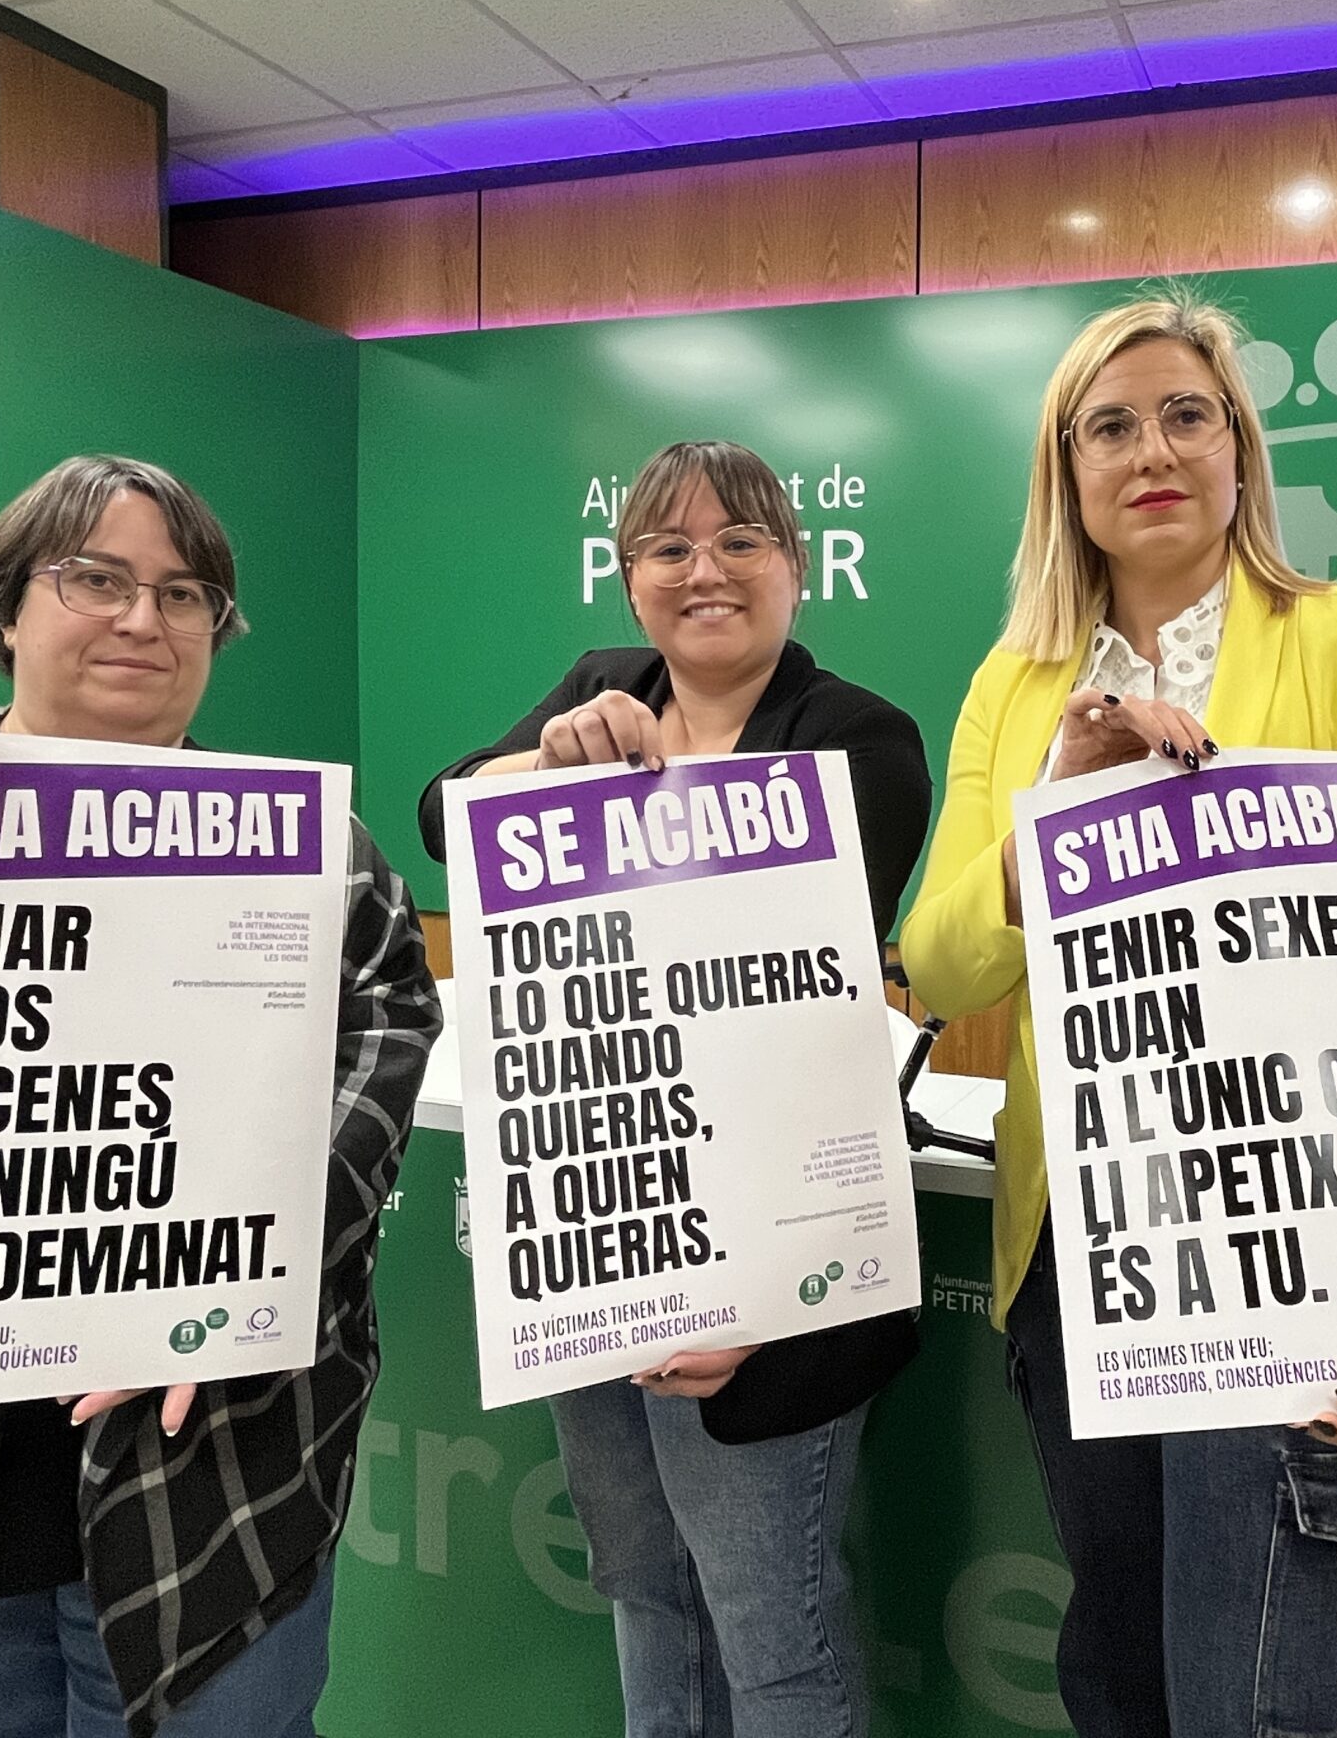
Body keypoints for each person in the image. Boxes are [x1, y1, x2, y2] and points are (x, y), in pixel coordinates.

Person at [0, 455, 441, 1736]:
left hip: (213, 1493)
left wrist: (237, 1272)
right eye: (96, 579)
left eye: (183, 594)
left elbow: (384, 1038)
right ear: (5, 610)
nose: (142, 619)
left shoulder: (310, 851)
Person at [901, 293, 1337, 1738]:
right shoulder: (1013, 684)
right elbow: (941, 966)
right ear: (1067, 473)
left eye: (1186, 415)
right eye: (1109, 426)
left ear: (1238, 449)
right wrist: (1051, 825)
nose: (1151, 450)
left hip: (1295, 1235)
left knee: (1259, 1684)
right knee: (1122, 1666)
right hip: (1081, 1248)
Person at [418, 439, 932, 1738]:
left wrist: (748, 1294)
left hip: (770, 1276)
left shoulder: (858, 736)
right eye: (669, 547)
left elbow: (790, 1000)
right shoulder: (600, 685)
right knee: (646, 1591)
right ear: (629, 576)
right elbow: (442, 816)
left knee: (774, 1637)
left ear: (797, 567)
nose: (706, 570)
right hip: (603, 1236)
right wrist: (539, 770)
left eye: (741, 541)